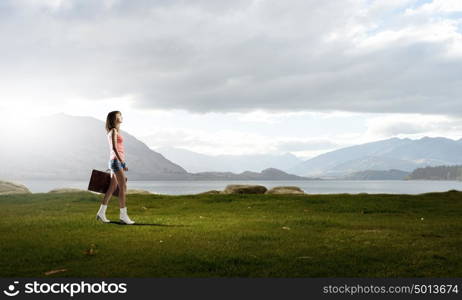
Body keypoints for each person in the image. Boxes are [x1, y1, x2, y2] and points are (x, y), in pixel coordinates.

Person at [96, 110, 135, 225]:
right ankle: (123, 216)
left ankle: (101, 212)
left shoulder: (114, 131)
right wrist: (122, 162)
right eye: (119, 116)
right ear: (114, 118)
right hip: (116, 162)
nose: (121, 117)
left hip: (114, 162)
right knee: (123, 187)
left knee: (112, 188)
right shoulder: (113, 131)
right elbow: (114, 147)